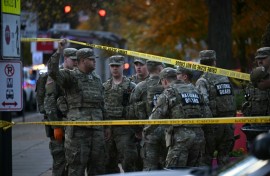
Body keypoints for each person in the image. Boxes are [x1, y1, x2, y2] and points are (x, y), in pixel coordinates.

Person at [48, 39, 109, 175]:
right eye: (91, 59)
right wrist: (59, 51)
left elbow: (102, 103)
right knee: (76, 168)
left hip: (97, 129)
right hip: (78, 131)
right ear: (82, 61)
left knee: (98, 167)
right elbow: (53, 72)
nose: (94, 61)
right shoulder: (71, 77)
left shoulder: (97, 79)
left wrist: (107, 126)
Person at [143, 67, 207, 168]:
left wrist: (145, 132)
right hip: (199, 137)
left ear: (164, 81)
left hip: (181, 139)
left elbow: (155, 118)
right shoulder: (194, 90)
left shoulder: (169, 92)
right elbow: (207, 113)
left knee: (173, 171)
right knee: (194, 171)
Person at [195, 50, 236, 167]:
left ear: (201, 63)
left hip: (212, 126)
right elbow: (232, 99)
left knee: (206, 158)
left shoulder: (202, 81)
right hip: (228, 124)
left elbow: (203, 103)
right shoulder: (224, 78)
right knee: (225, 158)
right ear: (214, 62)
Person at [44, 48, 78, 176]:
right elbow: (49, 103)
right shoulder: (55, 77)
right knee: (60, 162)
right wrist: (56, 126)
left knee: (74, 162)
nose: (75, 63)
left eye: (77, 60)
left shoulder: (74, 75)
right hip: (59, 127)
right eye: (73, 60)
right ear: (65, 59)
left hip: (72, 126)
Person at [103, 55, 138, 173]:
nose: (114, 68)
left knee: (128, 161)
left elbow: (136, 109)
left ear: (123, 66)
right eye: (112, 66)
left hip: (125, 129)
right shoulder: (105, 87)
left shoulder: (131, 87)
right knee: (108, 162)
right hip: (108, 130)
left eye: (117, 66)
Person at [129, 60, 165, 171]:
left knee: (150, 167)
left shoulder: (140, 87)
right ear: (160, 69)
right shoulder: (167, 84)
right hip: (168, 132)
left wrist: (137, 131)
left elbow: (131, 112)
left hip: (148, 132)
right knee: (168, 167)